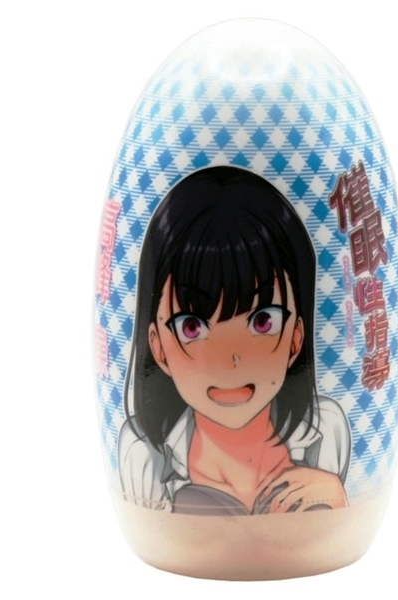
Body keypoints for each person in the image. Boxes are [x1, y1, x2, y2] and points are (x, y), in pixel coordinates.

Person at [119, 166, 351, 515]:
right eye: (191, 327)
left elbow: (339, 531)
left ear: (296, 337)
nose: (230, 360)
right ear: (158, 347)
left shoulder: (326, 432)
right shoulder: (144, 456)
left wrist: (338, 499)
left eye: (263, 321)